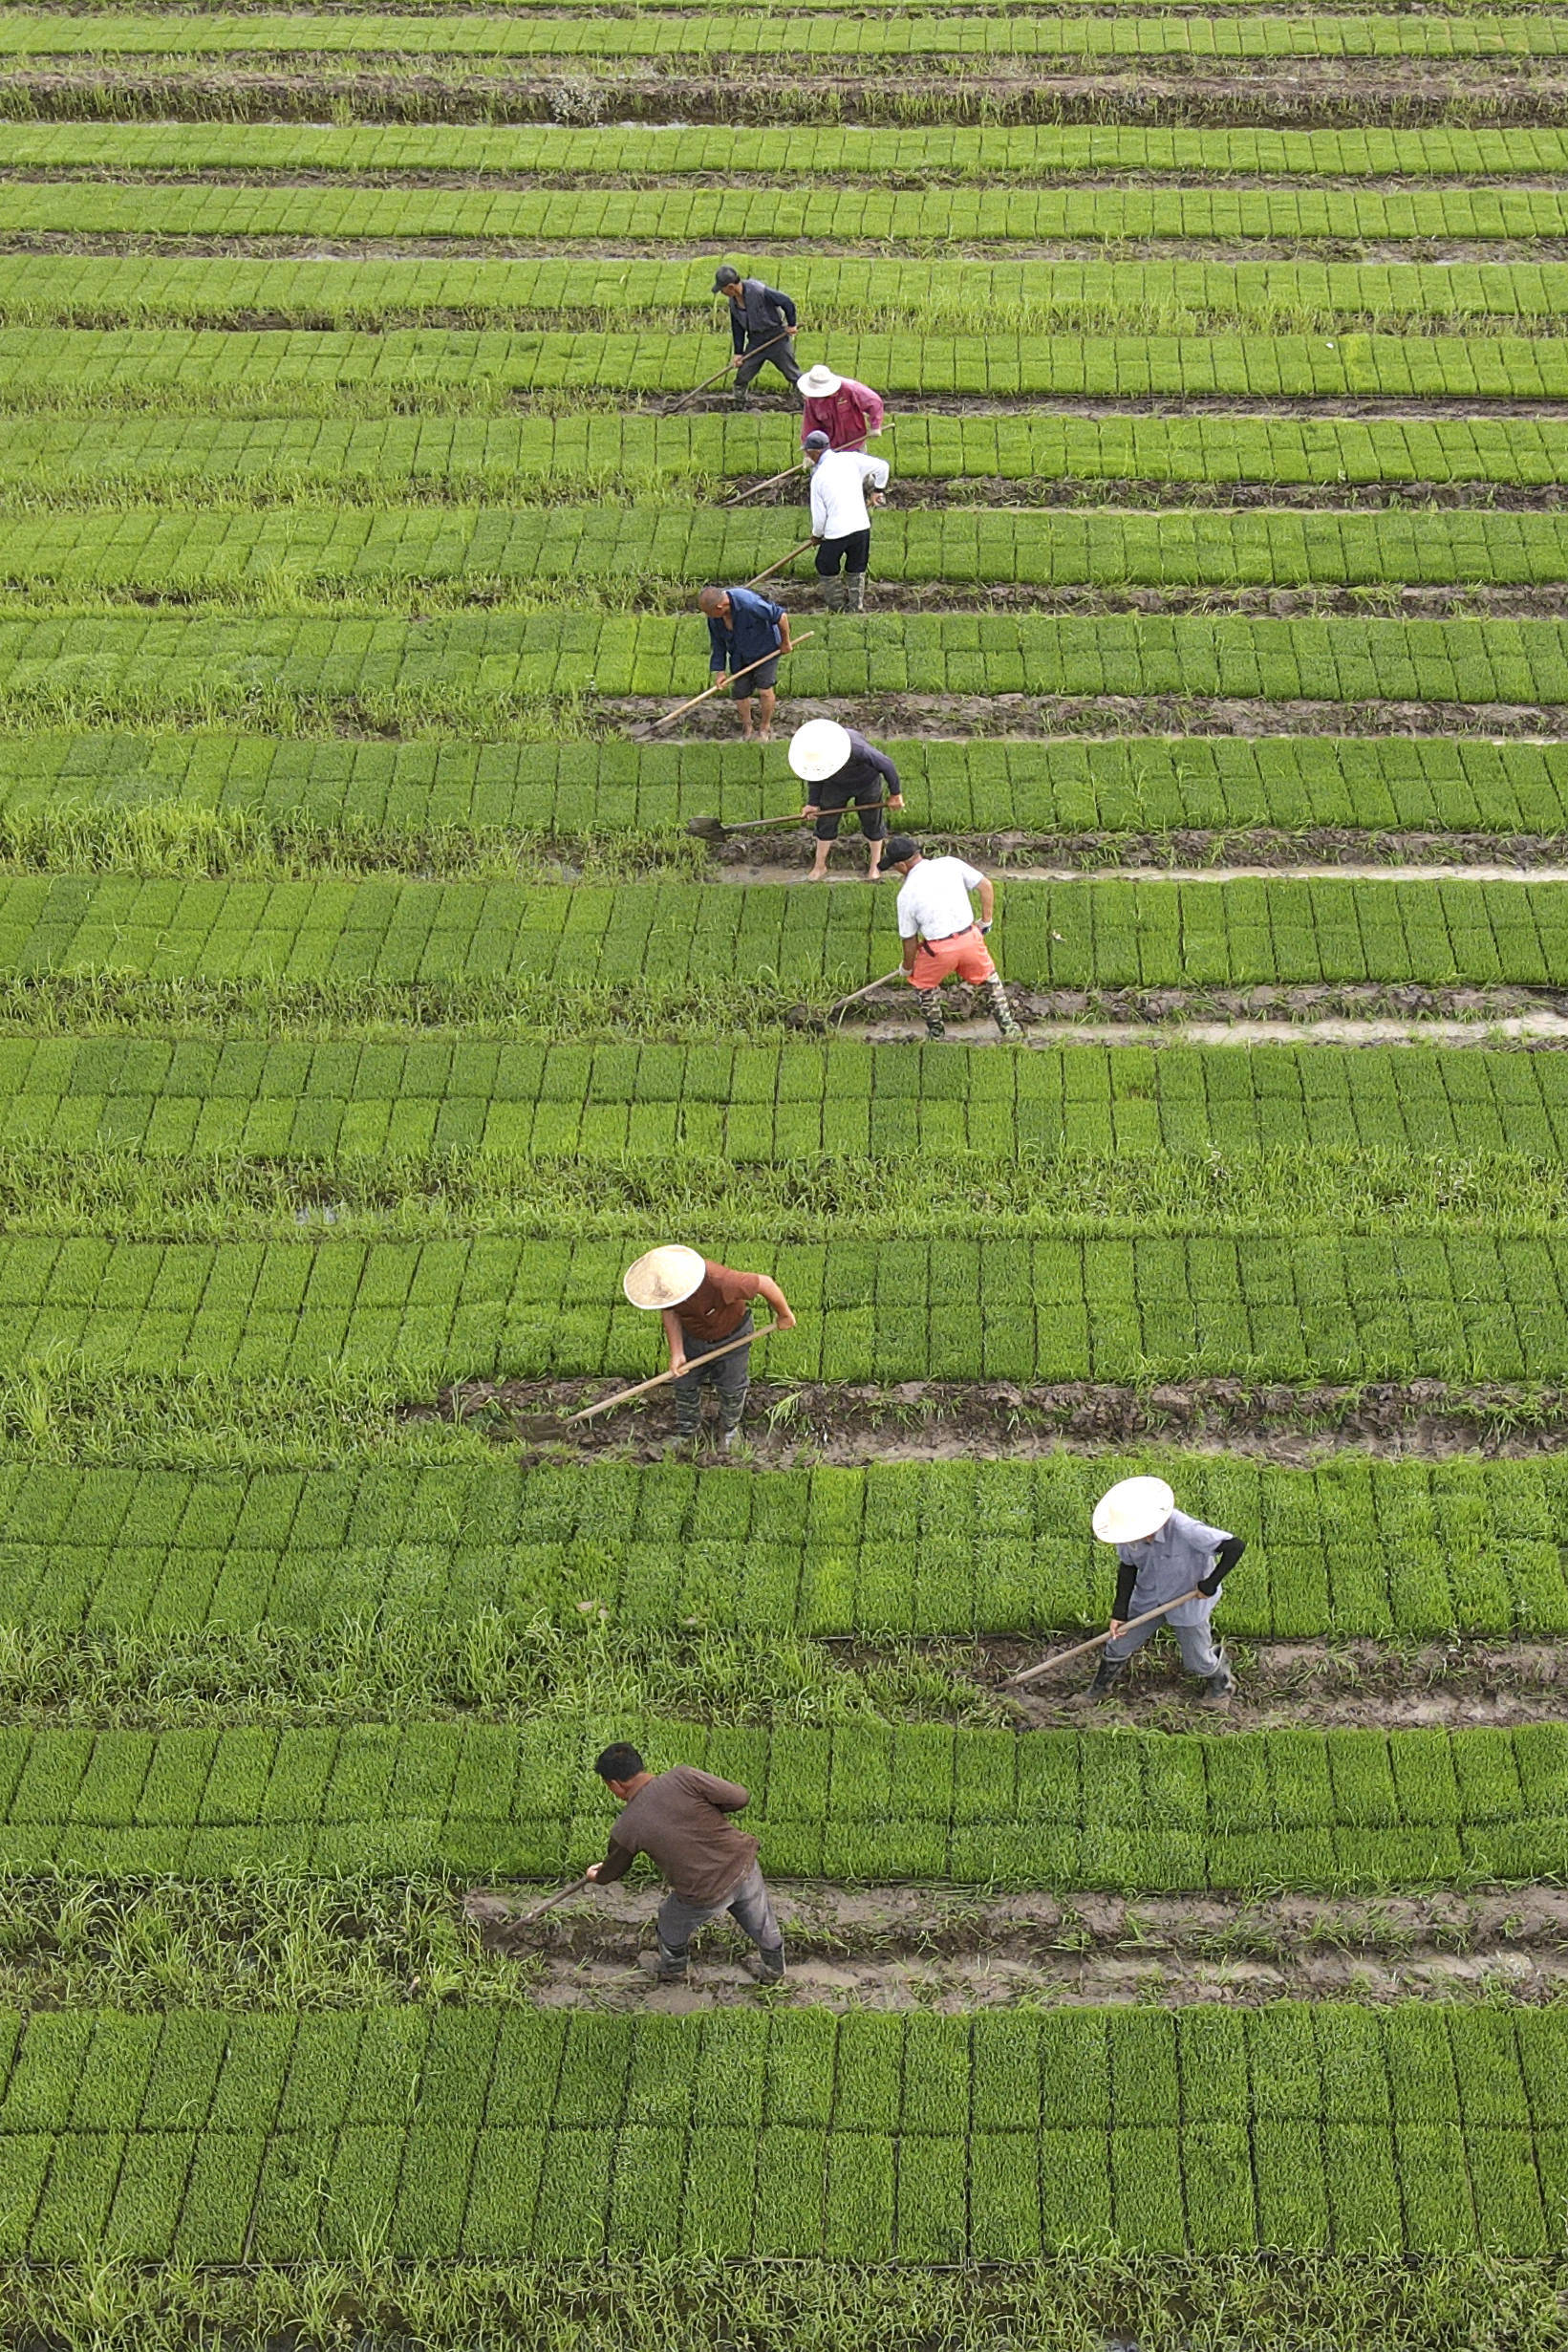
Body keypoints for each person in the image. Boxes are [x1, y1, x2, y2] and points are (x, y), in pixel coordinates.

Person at [587, 1742, 787, 1985]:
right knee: (761, 1920)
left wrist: (597, 1875)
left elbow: (614, 1869)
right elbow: (740, 1797)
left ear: (615, 1785)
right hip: (742, 1864)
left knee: (670, 1919)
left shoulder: (626, 1827)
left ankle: (673, 1971)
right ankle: (775, 1971)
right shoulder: (683, 1777)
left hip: (703, 1891)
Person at [1069, 1476, 1247, 1712]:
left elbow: (1235, 1546)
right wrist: (1119, 1611)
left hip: (1188, 1600)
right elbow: (1128, 1568)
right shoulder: (1127, 1534)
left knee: (1197, 1661)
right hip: (1149, 1598)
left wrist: (1210, 1583)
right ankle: (1099, 1689)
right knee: (1118, 1643)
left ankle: (1221, 1683)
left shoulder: (1185, 1529)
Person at [623, 1244, 797, 1449]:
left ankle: (729, 1428)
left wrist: (785, 1315)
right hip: (694, 1339)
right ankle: (688, 1432)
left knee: (732, 1387)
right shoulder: (666, 1289)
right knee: (683, 1384)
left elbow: (764, 1283)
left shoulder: (720, 1281)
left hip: (732, 1338)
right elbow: (670, 1312)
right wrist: (677, 1352)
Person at [883, 834, 1022, 1041]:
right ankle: (1009, 1028)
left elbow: (909, 939)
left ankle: (936, 1033)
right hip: (970, 939)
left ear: (902, 865)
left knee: (924, 986)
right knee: (991, 981)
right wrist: (986, 921)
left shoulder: (906, 894)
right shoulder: (950, 864)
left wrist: (907, 966)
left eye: (894, 867)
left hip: (938, 950)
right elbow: (986, 886)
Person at [788, 717, 904, 882]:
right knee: (826, 821)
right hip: (835, 786)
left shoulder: (856, 748)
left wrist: (895, 794)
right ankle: (820, 866)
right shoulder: (813, 754)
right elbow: (814, 776)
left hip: (867, 783)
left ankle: (875, 867)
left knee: (872, 821)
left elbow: (886, 764)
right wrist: (812, 804)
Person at [697, 584, 793, 741]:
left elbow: (780, 616)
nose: (708, 616)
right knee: (740, 693)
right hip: (739, 654)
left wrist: (785, 642)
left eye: (709, 612)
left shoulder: (749, 604)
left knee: (764, 689)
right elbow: (718, 643)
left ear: (720, 607)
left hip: (765, 650)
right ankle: (747, 727)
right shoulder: (714, 618)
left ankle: (764, 728)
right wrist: (720, 672)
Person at [806, 432, 890, 613]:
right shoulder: (851, 458)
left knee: (825, 565)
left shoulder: (818, 478)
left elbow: (820, 517)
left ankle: (836, 608)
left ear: (814, 452)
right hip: (861, 526)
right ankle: (855, 607)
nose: (807, 456)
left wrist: (816, 536)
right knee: (856, 566)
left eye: (807, 452)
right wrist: (878, 490)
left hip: (837, 532)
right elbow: (883, 467)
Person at [712, 265, 803, 403]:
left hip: (776, 338)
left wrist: (792, 324)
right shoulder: (733, 302)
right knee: (743, 373)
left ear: (730, 287)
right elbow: (737, 328)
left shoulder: (758, 290)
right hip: (756, 341)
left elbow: (786, 301)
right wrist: (738, 353)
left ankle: (805, 401)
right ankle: (739, 401)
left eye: (722, 289)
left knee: (792, 373)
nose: (721, 292)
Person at [799, 363, 885, 452]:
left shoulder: (850, 389)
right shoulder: (812, 400)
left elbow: (874, 402)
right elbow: (809, 426)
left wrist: (875, 426)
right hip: (831, 448)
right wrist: (808, 451)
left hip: (855, 443)